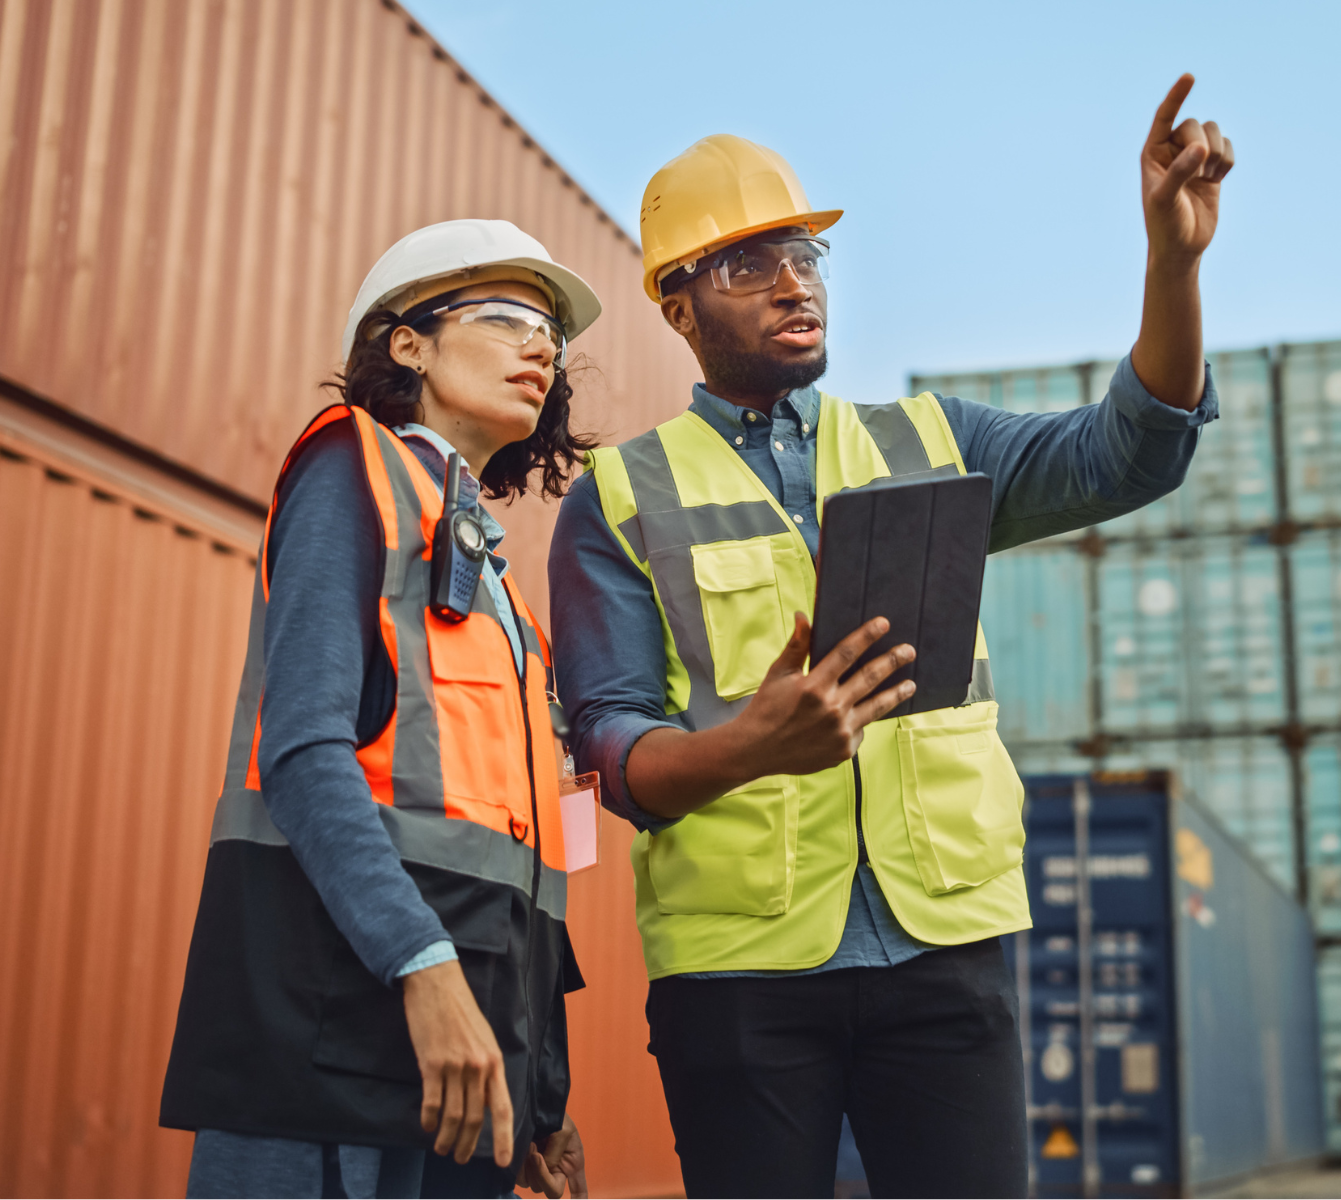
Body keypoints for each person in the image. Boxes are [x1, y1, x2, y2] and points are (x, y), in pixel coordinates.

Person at [549, 75, 1232, 1198]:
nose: (790, 283)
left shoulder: (931, 441)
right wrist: (753, 745)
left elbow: (1135, 452)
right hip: (741, 976)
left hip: (942, 953)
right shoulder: (620, 497)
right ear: (677, 307)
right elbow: (613, 756)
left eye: (806, 257)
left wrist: (1174, 263)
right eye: (745, 264)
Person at [162, 219, 601, 1200]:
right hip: (343, 1037)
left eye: (553, 337)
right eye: (509, 317)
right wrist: (425, 970)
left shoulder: (509, 608)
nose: (543, 347)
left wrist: (541, 1092)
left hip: (464, 1066)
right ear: (408, 342)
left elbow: (532, 863)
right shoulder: (349, 468)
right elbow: (305, 754)